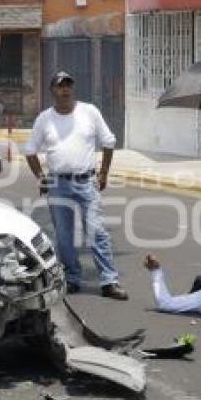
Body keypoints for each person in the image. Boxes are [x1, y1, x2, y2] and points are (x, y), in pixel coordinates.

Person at [24, 70, 128, 301]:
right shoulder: (45, 119)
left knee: (97, 231)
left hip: (86, 182)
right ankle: (72, 279)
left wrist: (103, 173)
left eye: (69, 85)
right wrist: (41, 177)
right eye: (60, 86)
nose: (65, 90)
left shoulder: (89, 112)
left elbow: (109, 141)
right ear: (53, 91)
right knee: (64, 236)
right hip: (58, 184)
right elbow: (30, 150)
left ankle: (109, 281)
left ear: (73, 88)